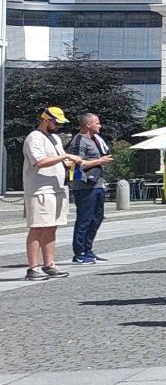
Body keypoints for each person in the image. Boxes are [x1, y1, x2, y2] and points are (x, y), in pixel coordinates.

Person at [22, 107, 77, 280]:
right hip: (40, 190)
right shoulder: (34, 138)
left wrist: (72, 162)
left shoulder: (54, 138)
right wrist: (64, 158)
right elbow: (39, 162)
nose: (59, 126)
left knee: (52, 227)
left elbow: (62, 159)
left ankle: (49, 264)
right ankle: (33, 267)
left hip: (57, 188)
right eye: (56, 122)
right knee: (37, 228)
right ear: (46, 120)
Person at [66, 113, 114, 264]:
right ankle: (79, 252)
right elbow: (77, 163)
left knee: (97, 217)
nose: (100, 126)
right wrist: (100, 161)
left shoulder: (96, 140)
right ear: (88, 125)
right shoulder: (79, 140)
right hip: (84, 185)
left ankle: (88, 249)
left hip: (98, 182)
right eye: (97, 123)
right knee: (85, 218)